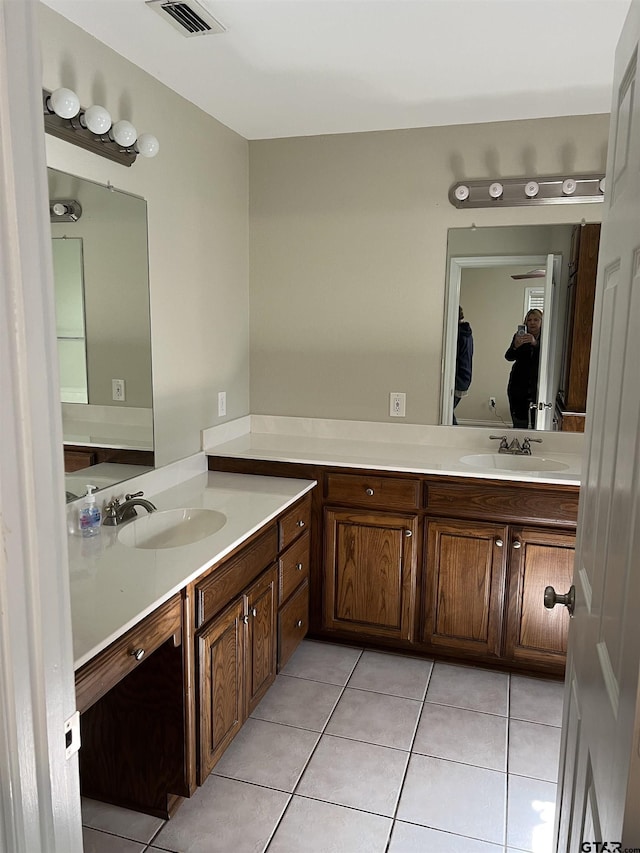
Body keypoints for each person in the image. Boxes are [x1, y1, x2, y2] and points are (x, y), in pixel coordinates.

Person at [505, 308, 542, 429]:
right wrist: (516, 346)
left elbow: (548, 357)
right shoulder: (519, 336)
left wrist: (535, 344)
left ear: (541, 322)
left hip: (537, 387)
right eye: (529, 320)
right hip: (518, 385)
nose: (532, 323)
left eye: (536, 320)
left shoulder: (546, 338)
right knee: (519, 422)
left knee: (538, 423)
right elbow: (509, 356)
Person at [453, 306, 473, 425]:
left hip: (458, 378)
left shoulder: (459, 334)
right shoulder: (465, 332)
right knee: (448, 412)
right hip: (464, 377)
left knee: (446, 413)